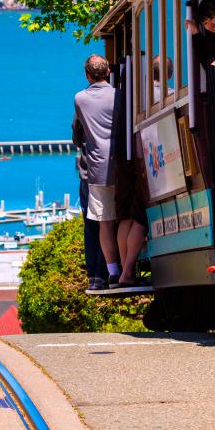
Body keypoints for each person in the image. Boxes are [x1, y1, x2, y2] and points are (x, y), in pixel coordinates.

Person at [72, 54, 122, 287]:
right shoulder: (119, 96)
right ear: (109, 73)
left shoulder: (80, 98)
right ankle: (121, 269)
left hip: (96, 168)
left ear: (87, 75)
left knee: (100, 222)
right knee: (124, 218)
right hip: (122, 165)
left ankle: (102, 274)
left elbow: (77, 133)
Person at [71, 116, 107, 291]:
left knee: (91, 226)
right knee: (107, 223)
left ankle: (95, 276)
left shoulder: (82, 101)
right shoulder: (116, 99)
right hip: (111, 170)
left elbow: (77, 138)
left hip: (88, 174)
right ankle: (110, 269)